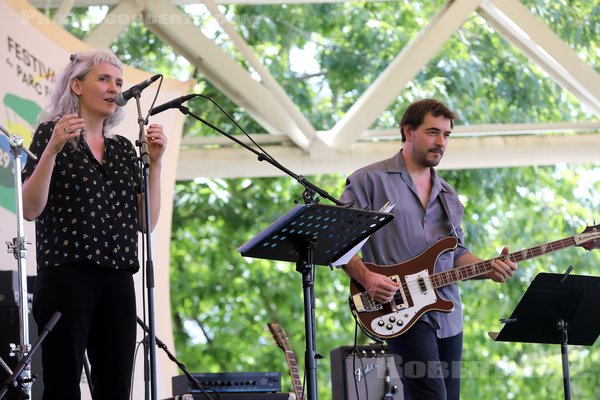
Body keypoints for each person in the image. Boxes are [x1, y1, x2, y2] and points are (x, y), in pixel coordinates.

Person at [340, 98, 518, 400]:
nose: (441, 142)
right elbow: (341, 241)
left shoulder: (448, 195)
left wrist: (488, 268)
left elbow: (456, 252)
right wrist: (367, 278)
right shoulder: (368, 180)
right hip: (399, 307)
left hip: (448, 313)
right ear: (408, 132)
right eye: (433, 132)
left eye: (447, 135)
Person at [21, 49, 167, 400]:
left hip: (117, 276)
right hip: (66, 275)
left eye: (118, 82)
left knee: (115, 386)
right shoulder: (49, 135)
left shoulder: (122, 150)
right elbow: (29, 208)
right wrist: (52, 151)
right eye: (103, 79)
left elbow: (145, 223)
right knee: (62, 384)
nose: (113, 88)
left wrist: (156, 166)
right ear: (76, 85)